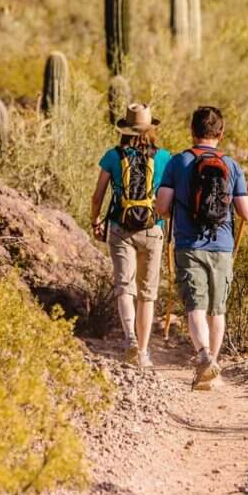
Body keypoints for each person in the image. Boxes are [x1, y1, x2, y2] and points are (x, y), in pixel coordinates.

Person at [156, 106, 248, 390]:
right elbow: (245, 212)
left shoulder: (178, 163)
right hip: (222, 246)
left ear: (192, 131)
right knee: (217, 309)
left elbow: (162, 207)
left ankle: (203, 358)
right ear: (220, 133)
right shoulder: (232, 165)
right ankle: (211, 367)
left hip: (188, 244)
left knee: (195, 307)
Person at [90, 104, 172, 368]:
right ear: (151, 130)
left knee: (125, 286)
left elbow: (98, 195)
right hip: (152, 228)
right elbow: (169, 196)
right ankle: (144, 352)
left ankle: (130, 341)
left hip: (120, 227)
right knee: (147, 294)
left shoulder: (112, 157)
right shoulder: (164, 158)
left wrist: (95, 221)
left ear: (124, 129)